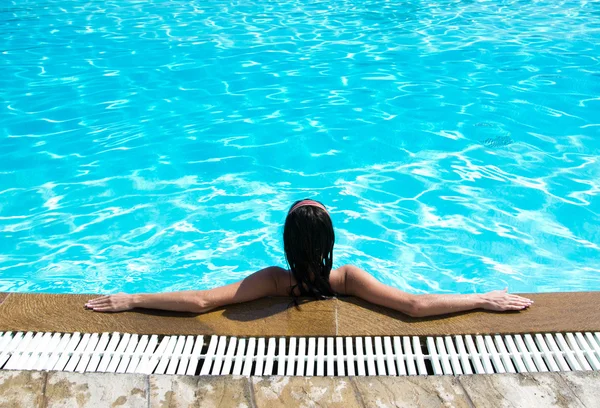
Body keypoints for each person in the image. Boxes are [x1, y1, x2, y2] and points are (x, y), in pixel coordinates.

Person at [86, 199, 533, 317]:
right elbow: (413, 305)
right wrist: (479, 299)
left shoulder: (275, 281)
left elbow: (203, 301)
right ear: (331, 238)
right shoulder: (349, 277)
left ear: (286, 240)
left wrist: (134, 299)